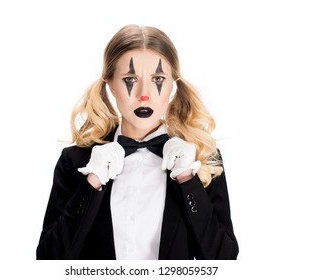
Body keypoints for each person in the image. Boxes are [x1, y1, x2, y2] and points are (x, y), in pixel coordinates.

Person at [36, 24, 238, 260]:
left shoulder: (203, 158)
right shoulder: (76, 161)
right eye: (130, 78)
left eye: (158, 78)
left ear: (173, 84)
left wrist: (187, 179)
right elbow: (48, 259)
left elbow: (224, 260)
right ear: (110, 83)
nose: (144, 94)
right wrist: (91, 183)